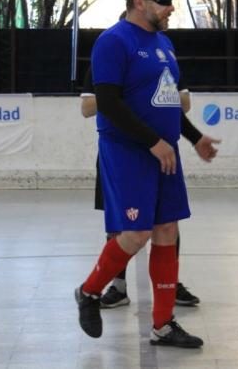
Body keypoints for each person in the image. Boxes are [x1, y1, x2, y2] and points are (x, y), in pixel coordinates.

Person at [74, 0, 220, 348]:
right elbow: (106, 101)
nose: (171, 7)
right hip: (128, 151)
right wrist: (153, 141)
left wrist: (194, 137)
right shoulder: (113, 41)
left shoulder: (164, 45)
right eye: (164, 0)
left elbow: (168, 102)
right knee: (136, 233)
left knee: (167, 231)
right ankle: (89, 291)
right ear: (139, 2)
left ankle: (163, 324)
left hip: (163, 151)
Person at [80, 66, 201, 308]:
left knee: (167, 222)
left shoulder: (162, 57)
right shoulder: (109, 55)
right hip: (121, 153)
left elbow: (185, 102)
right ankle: (118, 286)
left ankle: (171, 285)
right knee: (120, 224)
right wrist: (123, 99)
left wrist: (145, 94)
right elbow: (87, 107)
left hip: (160, 152)